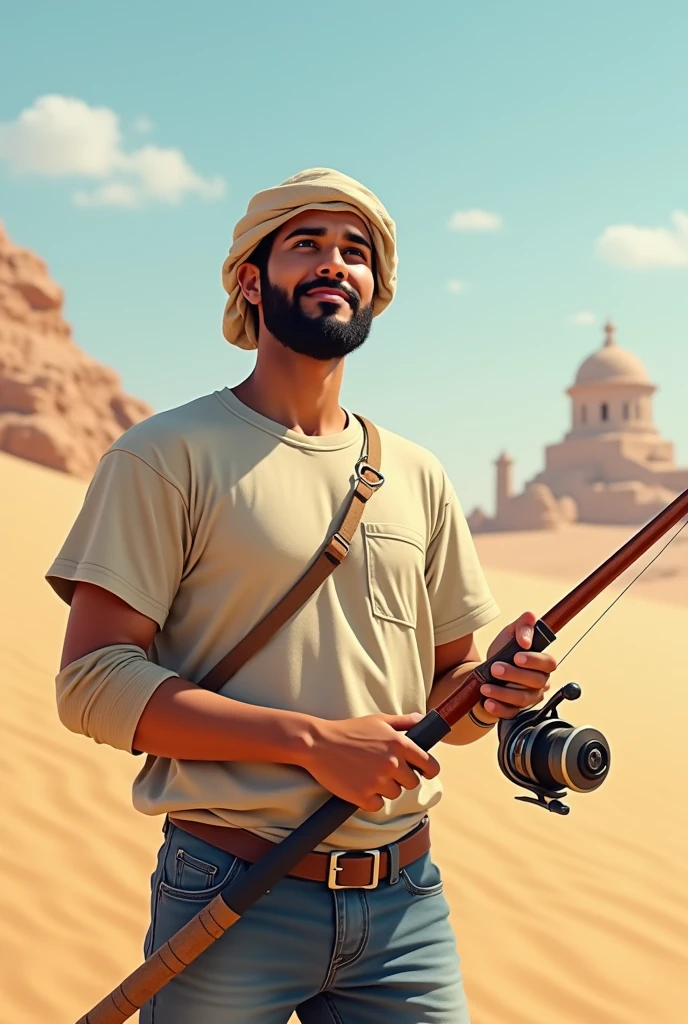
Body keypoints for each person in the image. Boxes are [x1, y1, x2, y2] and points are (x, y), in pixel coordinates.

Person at [47, 168, 557, 1024]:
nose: (334, 264)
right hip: (229, 889)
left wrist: (494, 691)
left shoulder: (417, 475)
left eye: (355, 252)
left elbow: (446, 702)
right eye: (306, 244)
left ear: (375, 288)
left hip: (406, 904)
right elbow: (92, 682)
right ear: (253, 279)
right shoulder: (165, 456)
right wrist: (313, 742)